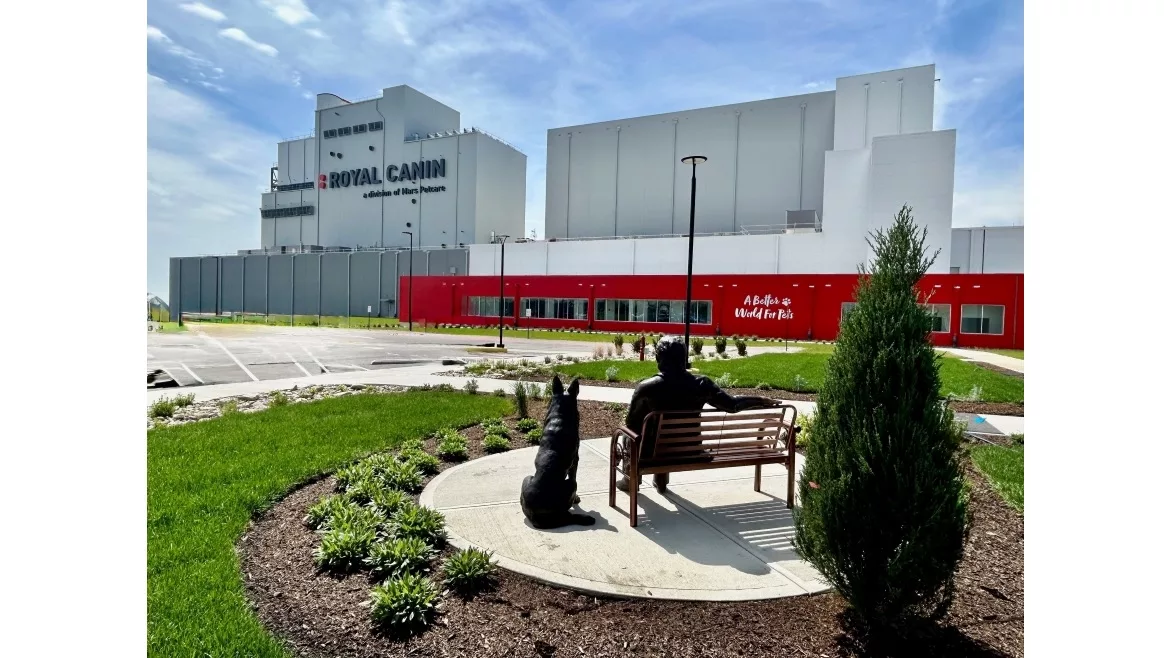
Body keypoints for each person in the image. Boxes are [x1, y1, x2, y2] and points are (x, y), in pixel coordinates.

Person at [618, 335, 777, 493]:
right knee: (662, 438)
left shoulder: (646, 388)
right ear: (683, 358)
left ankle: (630, 479)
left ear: (659, 358)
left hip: (652, 455)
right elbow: (732, 405)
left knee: (628, 434)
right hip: (691, 451)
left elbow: (631, 423)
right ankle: (660, 481)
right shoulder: (702, 385)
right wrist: (760, 400)